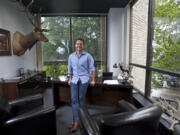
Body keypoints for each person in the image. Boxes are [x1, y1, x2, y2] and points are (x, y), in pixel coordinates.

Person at [68, 38, 95, 132]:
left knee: (80, 99)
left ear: (83, 46)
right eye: (77, 44)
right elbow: (70, 70)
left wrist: (92, 80)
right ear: (75, 45)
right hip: (74, 80)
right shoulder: (71, 56)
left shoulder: (88, 56)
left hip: (84, 79)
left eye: (81, 44)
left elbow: (92, 69)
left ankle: (82, 120)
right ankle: (76, 121)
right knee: (74, 100)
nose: (79, 45)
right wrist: (70, 79)